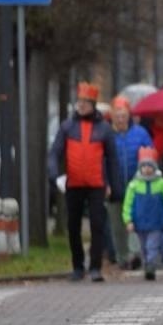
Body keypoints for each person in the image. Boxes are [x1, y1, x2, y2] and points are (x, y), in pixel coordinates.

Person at [47, 82, 123, 282]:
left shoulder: (104, 129)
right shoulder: (67, 126)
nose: (81, 105)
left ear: (93, 104)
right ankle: (78, 266)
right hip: (73, 184)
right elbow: (54, 153)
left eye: (85, 102)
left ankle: (95, 267)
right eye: (79, 101)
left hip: (96, 185)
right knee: (73, 226)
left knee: (97, 225)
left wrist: (116, 188)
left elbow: (113, 160)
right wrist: (55, 176)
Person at [108, 97, 153, 270]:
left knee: (135, 221)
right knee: (117, 224)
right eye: (117, 115)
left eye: (123, 115)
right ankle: (121, 257)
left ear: (129, 115)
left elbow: (150, 154)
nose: (120, 118)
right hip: (114, 185)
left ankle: (135, 254)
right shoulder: (107, 134)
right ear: (112, 116)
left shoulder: (140, 133)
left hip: (136, 184)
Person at [123, 147, 163, 280]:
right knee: (143, 247)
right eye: (144, 166)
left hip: (156, 223)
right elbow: (127, 205)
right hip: (139, 223)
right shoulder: (134, 185)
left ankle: (151, 265)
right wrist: (128, 220)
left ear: (155, 167)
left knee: (152, 245)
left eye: (149, 166)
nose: (147, 169)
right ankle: (147, 263)